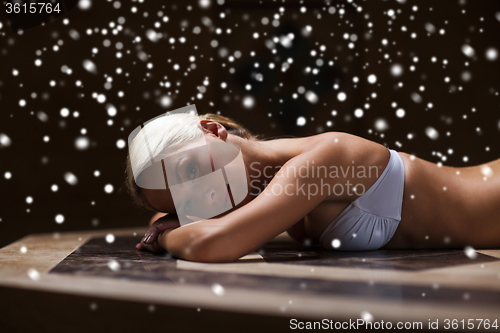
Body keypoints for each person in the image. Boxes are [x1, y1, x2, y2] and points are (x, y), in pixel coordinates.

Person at [124, 111, 500, 263]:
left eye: (189, 168)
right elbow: (176, 219)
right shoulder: (255, 186)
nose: (200, 192)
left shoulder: (318, 162)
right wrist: (171, 220)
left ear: (211, 129)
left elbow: (210, 243)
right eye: (184, 200)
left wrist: (165, 237)